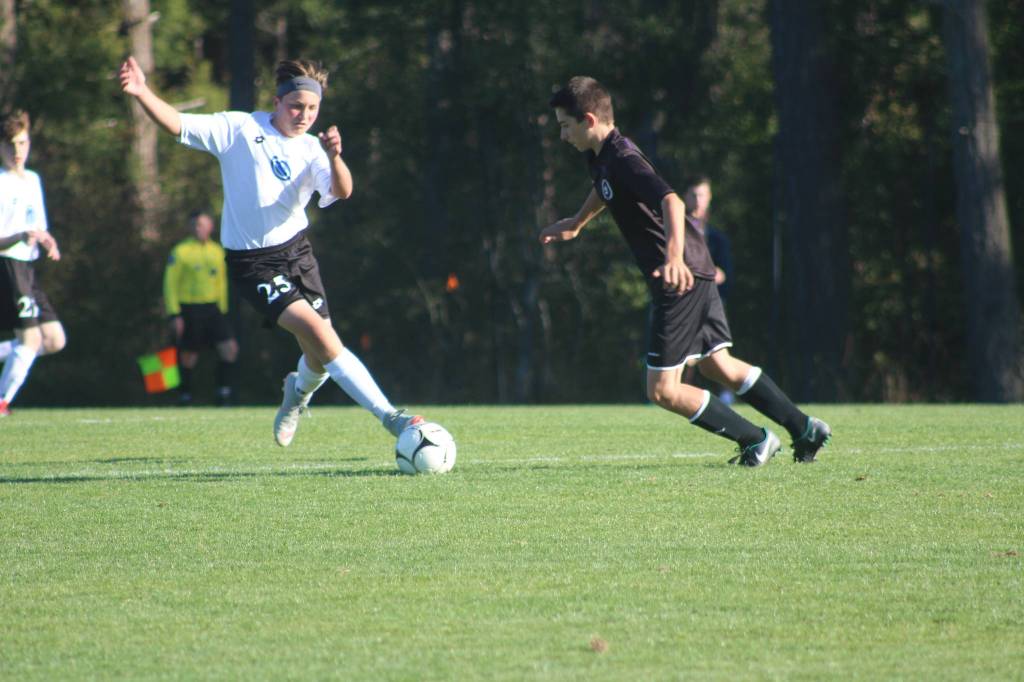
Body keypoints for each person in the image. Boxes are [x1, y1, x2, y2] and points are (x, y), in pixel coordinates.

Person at [119, 56, 423, 445]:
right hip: (252, 263)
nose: (304, 115)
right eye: (297, 106)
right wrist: (143, 91)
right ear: (276, 102)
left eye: (313, 108)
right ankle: (391, 418)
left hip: (297, 254)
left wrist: (334, 156)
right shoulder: (240, 128)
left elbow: (343, 191)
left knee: (319, 357)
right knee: (320, 335)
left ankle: (295, 395)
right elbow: (178, 124)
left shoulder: (314, 149)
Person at [540, 77, 830, 465]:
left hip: (680, 274)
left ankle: (755, 439)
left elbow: (672, 202)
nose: (562, 135)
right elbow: (604, 188)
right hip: (698, 265)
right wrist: (577, 221)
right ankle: (804, 427)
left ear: (589, 119)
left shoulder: (623, 157)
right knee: (716, 364)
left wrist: (673, 259)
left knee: (663, 390)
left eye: (564, 125)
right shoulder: (601, 156)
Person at [0, 109, 67, 417]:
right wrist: (20, 236)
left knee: (53, 340)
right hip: (9, 266)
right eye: (11, 144)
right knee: (29, 339)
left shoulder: (34, 180)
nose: (17, 151)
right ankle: (2, 401)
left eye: (23, 143)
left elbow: (38, 226)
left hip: (28, 268)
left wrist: (48, 240)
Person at [164, 210, 239, 405]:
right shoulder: (181, 252)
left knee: (229, 349)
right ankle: (185, 395)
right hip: (189, 309)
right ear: (190, 227)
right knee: (189, 355)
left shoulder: (217, 251)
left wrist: (222, 309)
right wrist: (174, 314)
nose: (199, 229)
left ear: (211, 227)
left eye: (203, 225)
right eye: (196, 225)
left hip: (214, 309)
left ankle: (223, 394)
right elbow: (170, 284)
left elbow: (221, 282)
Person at [682, 175, 735, 403]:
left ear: (709, 198)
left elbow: (725, 274)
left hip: (711, 302)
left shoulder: (717, 239)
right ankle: (679, 393)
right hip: (683, 300)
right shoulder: (677, 232)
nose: (697, 200)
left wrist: (706, 272)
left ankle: (726, 394)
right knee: (684, 355)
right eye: (693, 195)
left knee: (716, 354)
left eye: (702, 194)